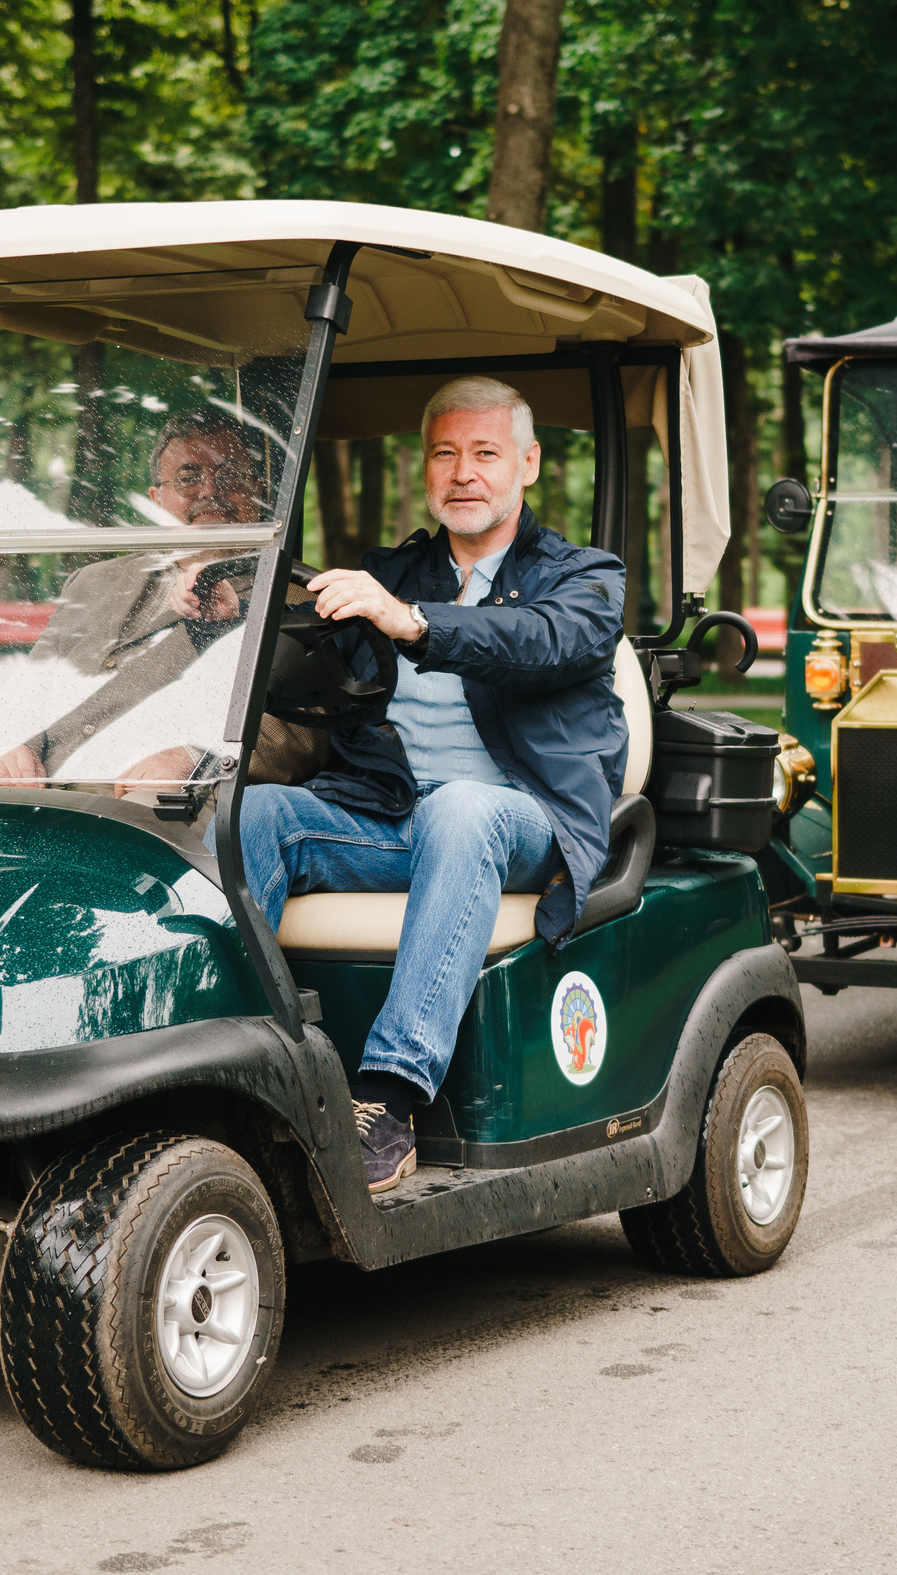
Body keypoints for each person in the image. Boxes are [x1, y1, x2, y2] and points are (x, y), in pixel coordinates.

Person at [242, 375, 627, 1191]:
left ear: (527, 463)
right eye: (445, 454)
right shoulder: (393, 570)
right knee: (263, 812)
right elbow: (308, 679)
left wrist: (412, 622)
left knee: (459, 810)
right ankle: (230, 1058)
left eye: (485, 453)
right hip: (390, 819)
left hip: (523, 824)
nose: (463, 472)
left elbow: (543, 640)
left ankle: (388, 1095)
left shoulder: (584, 576)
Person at [0, 407, 317, 791]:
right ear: (157, 498)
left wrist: (197, 761)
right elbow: (28, 686)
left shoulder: (300, 597)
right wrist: (9, 746)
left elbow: (301, 731)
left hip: (165, 811)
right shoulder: (92, 582)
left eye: (230, 475)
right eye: (189, 477)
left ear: (256, 491)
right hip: (37, 796)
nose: (210, 491)